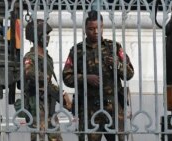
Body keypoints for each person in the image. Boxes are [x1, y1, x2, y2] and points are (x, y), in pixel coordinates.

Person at [62, 10, 134, 141]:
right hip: (89, 110)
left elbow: (129, 74)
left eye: (98, 28)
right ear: (85, 29)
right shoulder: (77, 51)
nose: (95, 32)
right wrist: (85, 78)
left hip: (113, 109)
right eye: (91, 28)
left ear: (102, 27)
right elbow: (66, 77)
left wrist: (118, 65)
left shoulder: (114, 47)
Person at [23, 19, 62, 141]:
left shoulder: (47, 57)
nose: (47, 38)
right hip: (37, 106)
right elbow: (29, 73)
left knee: (56, 137)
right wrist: (43, 77)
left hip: (49, 104)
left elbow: (50, 82)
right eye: (45, 34)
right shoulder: (30, 57)